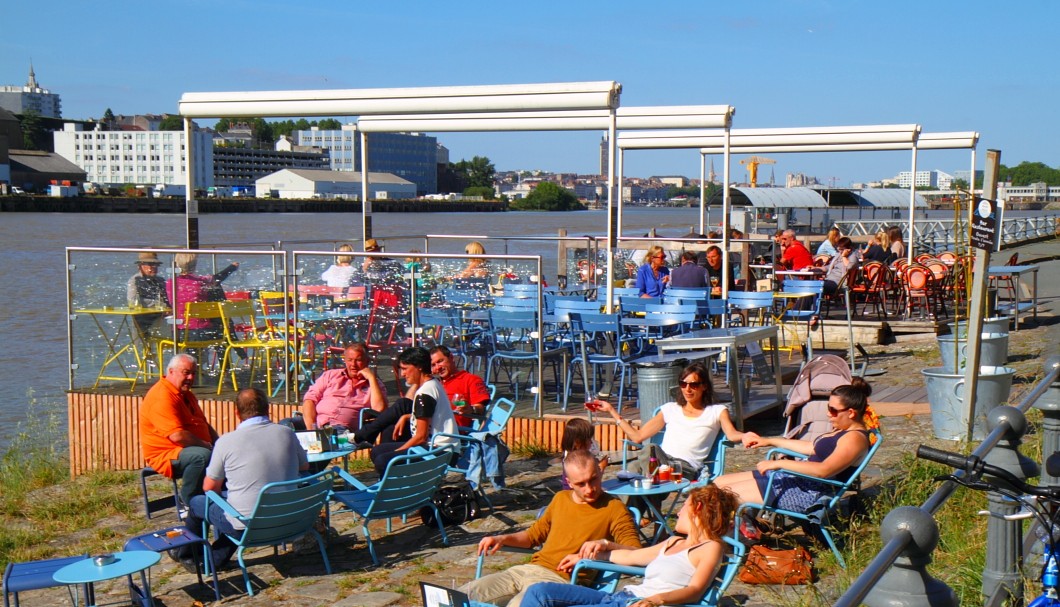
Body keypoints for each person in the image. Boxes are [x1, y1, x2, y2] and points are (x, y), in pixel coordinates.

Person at [462, 450, 642, 607]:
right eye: (581, 484)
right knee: (461, 596)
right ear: (569, 482)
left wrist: (605, 545)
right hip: (526, 570)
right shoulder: (560, 499)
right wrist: (501, 538)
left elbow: (637, 553)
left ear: (600, 472)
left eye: (593, 479)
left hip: (559, 582)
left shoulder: (613, 507)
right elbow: (533, 536)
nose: (589, 489)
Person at [520, 484, 740, 607]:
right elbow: (632, 557)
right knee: (539, 592)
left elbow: (694, 591)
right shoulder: (674, 541)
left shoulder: (711, 547)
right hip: (620, 597)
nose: (680, 511)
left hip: (636, 604)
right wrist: (594, 553)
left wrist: (656, 600)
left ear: (697, 507)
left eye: (685, 506)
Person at [181, 387, 308, 572]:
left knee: (198, 503)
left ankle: (189, 556)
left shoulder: (226, 442)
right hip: (288, 521)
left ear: (236, 413)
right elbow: (304, 466)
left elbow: (209, 487)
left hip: (248, 527)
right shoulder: (286, 433)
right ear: (268, 409)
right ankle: (213, 559)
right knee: (241, 508)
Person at [713, 383, 872, 513]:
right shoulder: (843, 430)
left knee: (720, 496)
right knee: (716, 483)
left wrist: (778, 464)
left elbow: (823, 470)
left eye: (832, 410)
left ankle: (716, 539)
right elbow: (811, 447)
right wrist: (770, 441)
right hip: (795, 479)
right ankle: (741, 526)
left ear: (851, 413)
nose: (828, 414)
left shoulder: (854, 439)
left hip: (807, 492)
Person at [590, 362, 745, 483]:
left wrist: (747, 436)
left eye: (694, 385)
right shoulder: (670, 409)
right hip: (659, 466)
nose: (688, 389)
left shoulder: (717, 411)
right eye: (683, 384)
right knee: (636, 468)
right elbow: (638, 437)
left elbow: (731, 434)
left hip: (683, 469)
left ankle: (636, 488)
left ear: (704, 386)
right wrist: (611, 410)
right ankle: (631, 517)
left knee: (648, 454)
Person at [139, 353, 219, 510]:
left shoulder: (186, 394)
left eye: (193, 373)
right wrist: (207, 445)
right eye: (186, 373)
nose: (190, 377)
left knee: (224, 452)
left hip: (189, 447)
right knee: (201, 457)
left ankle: (219, 497)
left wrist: (219, 443)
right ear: (171, 371)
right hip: (167, 454)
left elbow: (203, 423)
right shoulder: (162, 396)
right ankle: (189, 503)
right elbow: (177, 436)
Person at [365, 346, 460, 474]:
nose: (402, 374)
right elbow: (431, 414)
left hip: (439, 451)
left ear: (419, 366)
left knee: (384, 461)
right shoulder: (433, 383)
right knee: (378, 451)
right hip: (441, 448)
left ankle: (401, 491)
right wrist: (407, 416)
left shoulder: (425, 393)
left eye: (405, 369)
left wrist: (397, 453)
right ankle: (399, 486)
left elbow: (421, 437)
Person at [284, 343, 387, 433]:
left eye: (358, 360)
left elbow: (379, 409)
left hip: (342, 428)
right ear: (345, 360)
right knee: (284, 425)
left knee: (334, 434)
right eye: (350, 360)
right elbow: (309, 400)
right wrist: (312, 429)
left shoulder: (374, 385)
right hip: (315, 422)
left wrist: (372, 378)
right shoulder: (330, 375)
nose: (353, 365)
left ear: (367, 361)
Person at [166, 253, 240, 339]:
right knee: (216, 289)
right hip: (202, 331)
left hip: (179, 332)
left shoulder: (170, 283)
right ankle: (230, 341)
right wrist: (232, 267)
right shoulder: (200, 282)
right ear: (194, 264)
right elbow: (217, 278)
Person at [126, 251, 170, 336]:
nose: (154, 267)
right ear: (140, 266)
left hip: (161, 320)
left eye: (156, 265)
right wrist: (159, 305)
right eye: (150, 264)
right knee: (141, 346)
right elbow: (132, 301)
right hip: (142, 320)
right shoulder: (134, 281)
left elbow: (168, 299)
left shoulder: (161, 281)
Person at [559, 418, 608, 489]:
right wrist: (601, 467)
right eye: (589, 439)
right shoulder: (576, 461)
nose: (591, 442)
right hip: (576, 494)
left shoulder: (570, 454)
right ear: (578, 442)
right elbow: (591, 481)